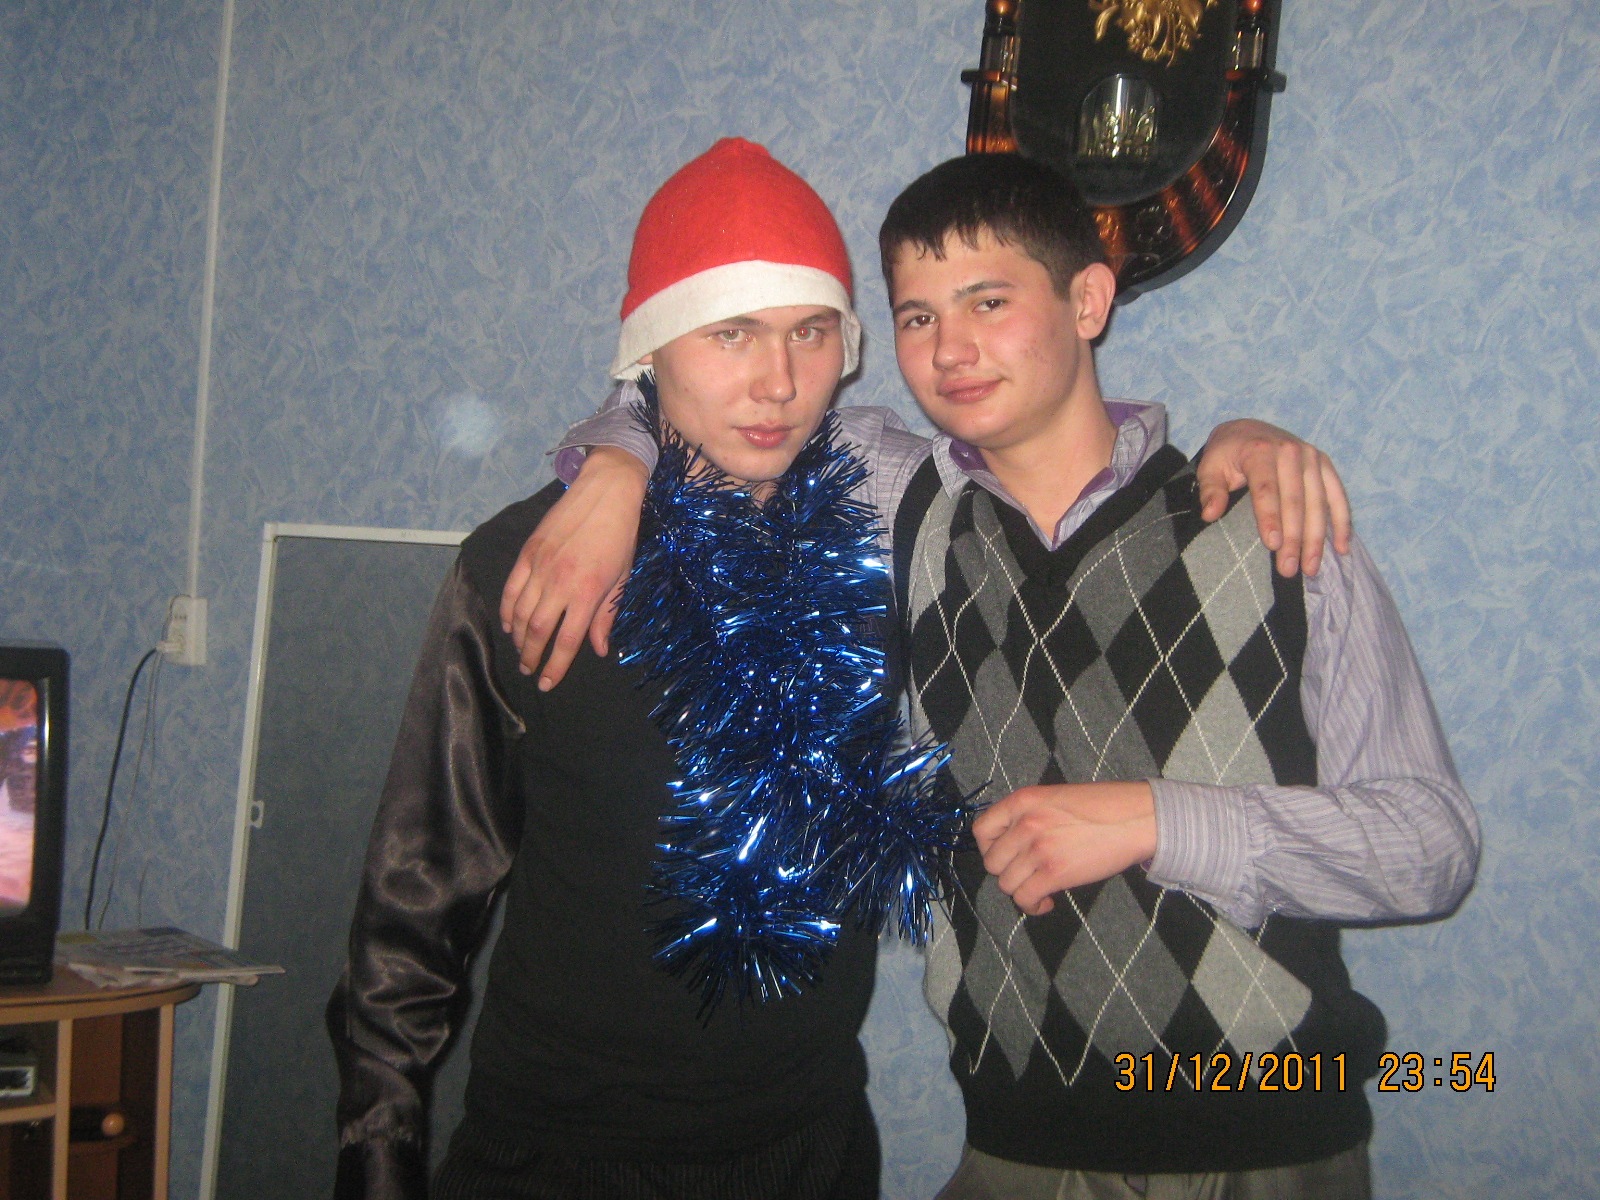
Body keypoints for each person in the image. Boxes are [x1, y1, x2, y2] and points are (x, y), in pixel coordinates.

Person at [502, 153, 1479, 1198]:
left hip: (1267, 1145)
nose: (950, 349)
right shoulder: (899, 508)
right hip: (1010, 1147)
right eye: (917, 317)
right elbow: (711, 402)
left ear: (1088, 300)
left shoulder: (1274, 527)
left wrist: (1156, 820)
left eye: (989, 302)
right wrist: (613, 466)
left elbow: (1430, 848)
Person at [328, 138, 954, 1200]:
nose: (779, 382)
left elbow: (1034, 464)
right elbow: (415, 898)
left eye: (810, 332)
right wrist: (377, 1161)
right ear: (650, 351)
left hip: (812, 1145)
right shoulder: (532, 567)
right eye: (729, 333)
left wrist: (1237, 448)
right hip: (563, 1156)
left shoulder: (886, 541)